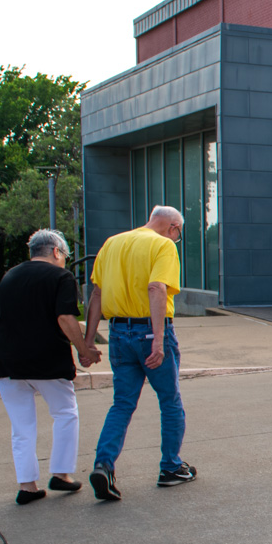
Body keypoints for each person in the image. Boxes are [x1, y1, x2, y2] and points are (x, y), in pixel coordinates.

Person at [82, 205, 197, 500]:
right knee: (170, 401)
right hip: (150, 332)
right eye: (178, 234)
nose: (176, 239)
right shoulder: (163, 246)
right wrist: (158, 341)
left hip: (118, 333)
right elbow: (157, 288)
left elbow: (96, 293)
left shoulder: (112, 243)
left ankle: (103, 465)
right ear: (173, 228)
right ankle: (170, 466)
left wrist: (88, 341)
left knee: (122, 403)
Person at [0, 229, 98, 505]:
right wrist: (84, 350)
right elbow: (64, 317)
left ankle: (27, 486)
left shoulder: (10, 276)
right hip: (46, 358)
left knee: (21, 425)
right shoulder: (61, 276)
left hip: (4, 360)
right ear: (56, 252)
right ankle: (61, 474)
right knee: (65, 412)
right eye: (64, 255)